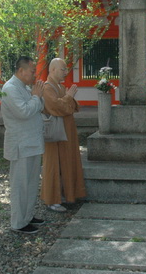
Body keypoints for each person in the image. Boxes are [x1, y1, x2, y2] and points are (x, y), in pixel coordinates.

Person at [1, 56, 46, 234]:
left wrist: (36, 97)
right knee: (20, 184)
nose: (34, 74)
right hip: (21, 144)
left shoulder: (25, 87)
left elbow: (39, 106)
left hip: (32, 142)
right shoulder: (10, 88)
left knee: (32, 182)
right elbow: (24, 111)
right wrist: (35, 97)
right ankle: (18, 222)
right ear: (21, 71)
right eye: (32, 71)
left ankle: (27, 215)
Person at [40, 58, 86, 212]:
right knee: (53, 164)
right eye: (63, 69)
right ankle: (52, 200)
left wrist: (68, 99)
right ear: (52, 70)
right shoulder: (47, 88)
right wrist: (68, 97)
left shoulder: (59, 86)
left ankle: (66, 195)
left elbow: (72, 107)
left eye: (66, 69)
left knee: (66, 162)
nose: (66, 72)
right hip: (54, 133)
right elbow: (57, 107)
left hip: (66, 132)